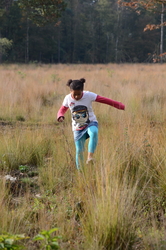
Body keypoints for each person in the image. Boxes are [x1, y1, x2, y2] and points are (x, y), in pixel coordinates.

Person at [57, 78, 125, 169]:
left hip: (91, 122)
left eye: (79, 94)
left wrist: (120, 106)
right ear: (70, 91)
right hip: (77, 127)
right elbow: (62, 109)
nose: (76, 96)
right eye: (74, 94)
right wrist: (60, 115)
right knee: (79, 151)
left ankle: (90, 158)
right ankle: (80, 172)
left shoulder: (88, 95)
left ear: (82, 91)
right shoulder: (67, 98)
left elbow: (104, 100)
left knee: (94, 132)